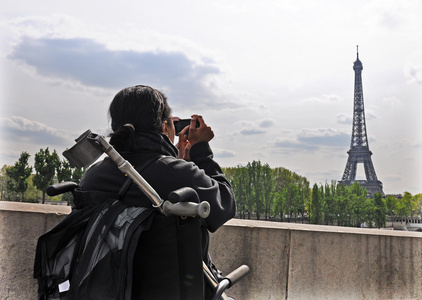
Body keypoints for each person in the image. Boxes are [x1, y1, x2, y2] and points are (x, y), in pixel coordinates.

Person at [78, 85, 236, 299]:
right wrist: (201, 151)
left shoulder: (93, 176)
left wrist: (177, 160)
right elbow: (224, 206)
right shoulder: (179, 174)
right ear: (164, 127)